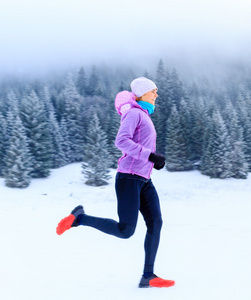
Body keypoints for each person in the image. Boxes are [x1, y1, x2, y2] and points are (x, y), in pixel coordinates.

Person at [56, 77, 174, 288]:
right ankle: (79, 218)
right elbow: (121, 141)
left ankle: (148, 275)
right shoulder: (134, 113)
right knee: (125, 230)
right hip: (128, 178)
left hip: (144, 179)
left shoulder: (143, 114)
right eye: (153, 91)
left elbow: (140, 147)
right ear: (142, 93)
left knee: (156, 222)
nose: (156, 95)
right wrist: (150, 156)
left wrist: (152, 161)